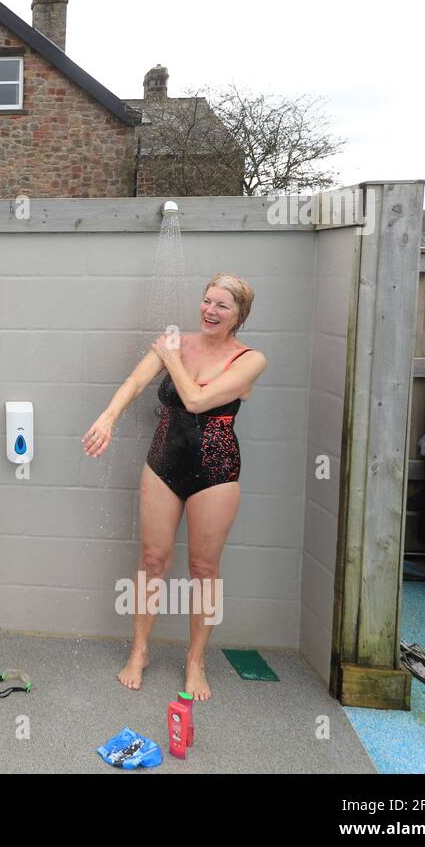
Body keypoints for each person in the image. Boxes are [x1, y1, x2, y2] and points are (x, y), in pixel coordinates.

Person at [83, 275, 267, 700]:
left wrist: (173, 358)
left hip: (216, 471)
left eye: (222, 306)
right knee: (152, 559)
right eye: (206, 301)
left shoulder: (250, 359)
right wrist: (108, 417)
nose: (210, 311)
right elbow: (134, 383)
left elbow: (197, 401)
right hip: (163, 462)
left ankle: (196, 660)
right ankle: (140, 650)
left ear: (239, 315)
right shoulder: (174, 341)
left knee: (204, 570)